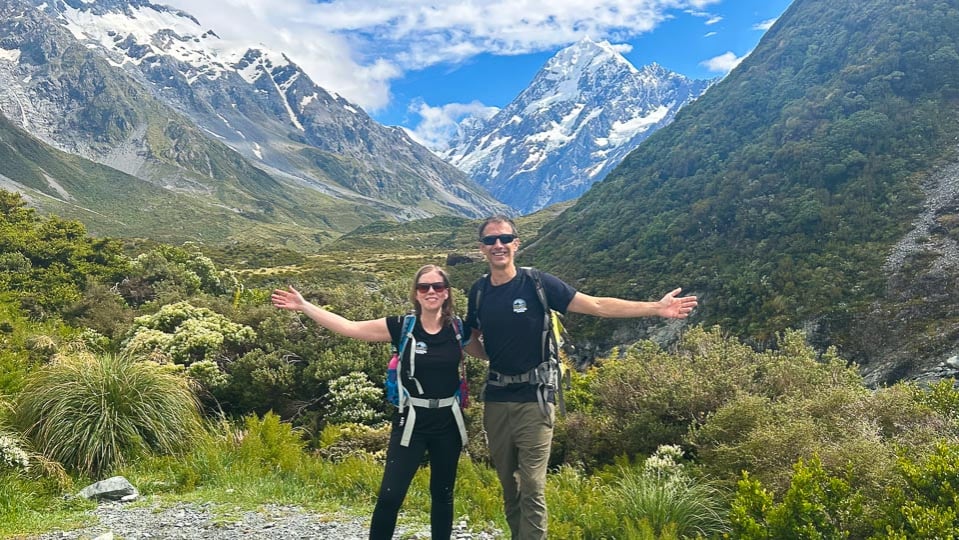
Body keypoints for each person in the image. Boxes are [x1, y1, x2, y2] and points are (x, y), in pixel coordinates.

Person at [463, 215, 698, 540]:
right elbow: (472, 339)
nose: (498, 245)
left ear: (516, 243)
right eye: (491, 240)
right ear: (482, 248)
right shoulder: (478, 293)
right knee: (508, 483)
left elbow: (598, 305)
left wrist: (655, 308)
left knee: (531, 483)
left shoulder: (538, 284)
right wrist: (484, 353)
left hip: (536, 398)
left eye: (504, 238)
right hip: (497, 398)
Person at [271, 264, 467, 540]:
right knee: (390, 496)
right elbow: (349, 327)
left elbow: (492, 350)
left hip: (448, 422)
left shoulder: (459, 330)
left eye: (437, 286)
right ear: (416, 293)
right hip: (411, 422)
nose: (431, 291)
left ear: (447, 293)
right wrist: (305, 306)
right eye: (424, 287)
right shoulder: (401, 327)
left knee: (443, 494)